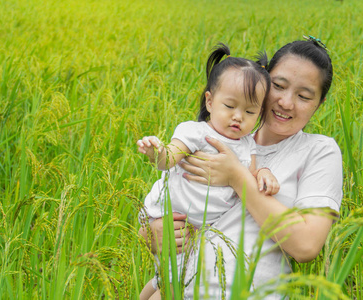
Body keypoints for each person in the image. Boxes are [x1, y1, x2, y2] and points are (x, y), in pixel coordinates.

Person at [145, 37, 343, 299]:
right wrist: (150, 232)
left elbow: (306, 245)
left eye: (304, 96)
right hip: (179, 288)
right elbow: (166, 197)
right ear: (260, 82)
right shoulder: (213, 136)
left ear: (321, 102)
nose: (286, 102)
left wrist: (237, 177)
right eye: (278, 86)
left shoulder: (318, 151)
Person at [137, 43, 280, 300]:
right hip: (172, 217)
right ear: (210, 102)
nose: (238, 117)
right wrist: (155, 151)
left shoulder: (248, 144)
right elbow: (168, 159)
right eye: (230, 106)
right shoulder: (196, 132)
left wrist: (265, 173)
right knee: (174, 285)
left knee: (168, 279)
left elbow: (251, 176)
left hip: (200, 229)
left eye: (249, 112)